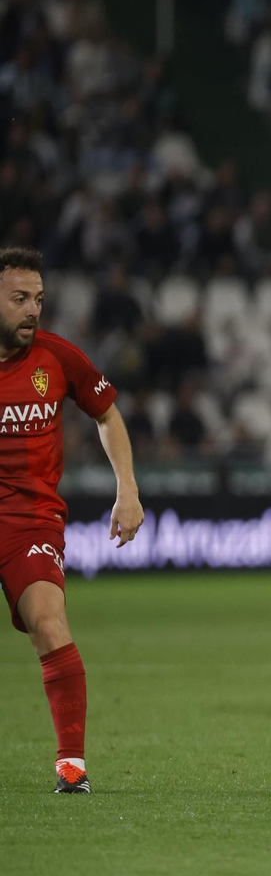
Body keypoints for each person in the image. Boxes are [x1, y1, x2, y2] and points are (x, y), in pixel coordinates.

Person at [0, 246, 143, 792]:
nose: (32, 310)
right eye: (19, 299)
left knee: (50, 622)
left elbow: (107, 413)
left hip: (31, 522)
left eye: (38, 298)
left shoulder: (56, 357)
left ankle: (72, 767)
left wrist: (126, 490)